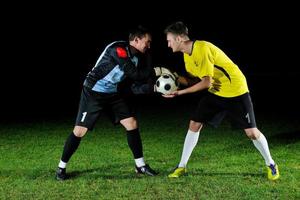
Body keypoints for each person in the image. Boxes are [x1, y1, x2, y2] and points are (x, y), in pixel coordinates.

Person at [163, 21, 279, 180]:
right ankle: (181, 166)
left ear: (180, 38)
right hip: (216, 92)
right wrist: (174, 78)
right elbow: (196, 80)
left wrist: (179, 93)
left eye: (169, 40)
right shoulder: (186, 55)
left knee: (252, 132)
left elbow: (206, 82)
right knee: (194, 123)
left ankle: (271, 164)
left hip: (235, 90)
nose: (168, 44)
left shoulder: (201, 48)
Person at [55, 25, 167, 180]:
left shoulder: (136, 57)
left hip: (112, 93)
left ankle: (140, 166)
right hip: (93, 91)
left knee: (131, 123)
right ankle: (61, 168)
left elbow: (134, 85)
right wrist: (157, 71)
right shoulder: (118, 49)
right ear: (136, 39)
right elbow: (135, 75)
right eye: (147, 42)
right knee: (80, 131)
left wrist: (155, 88)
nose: (149, 45)